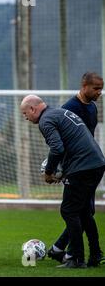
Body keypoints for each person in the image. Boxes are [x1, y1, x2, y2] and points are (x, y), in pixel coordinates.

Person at [21, 95, 105, 268]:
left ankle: (75, 258)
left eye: (25, 113)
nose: (25, 117)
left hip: (83, 167)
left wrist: (49, 172)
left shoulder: (46, 120)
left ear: (32, 109)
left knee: (68, 211)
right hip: (96, 164)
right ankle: (95, 255)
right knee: (83, 212)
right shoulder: (59, 112)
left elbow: (57, 148)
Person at [48, 72, 105, 266]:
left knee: (79, 211)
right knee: (81, 211)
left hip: (86, 166)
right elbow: (62, 144)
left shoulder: (93, 108)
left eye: (101, 88)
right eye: (96, 88)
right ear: (84, 86)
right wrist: (61, 168)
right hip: (77, 167)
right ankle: (77, 253)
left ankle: (69, 253)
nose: (100, 92)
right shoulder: (69, 108)